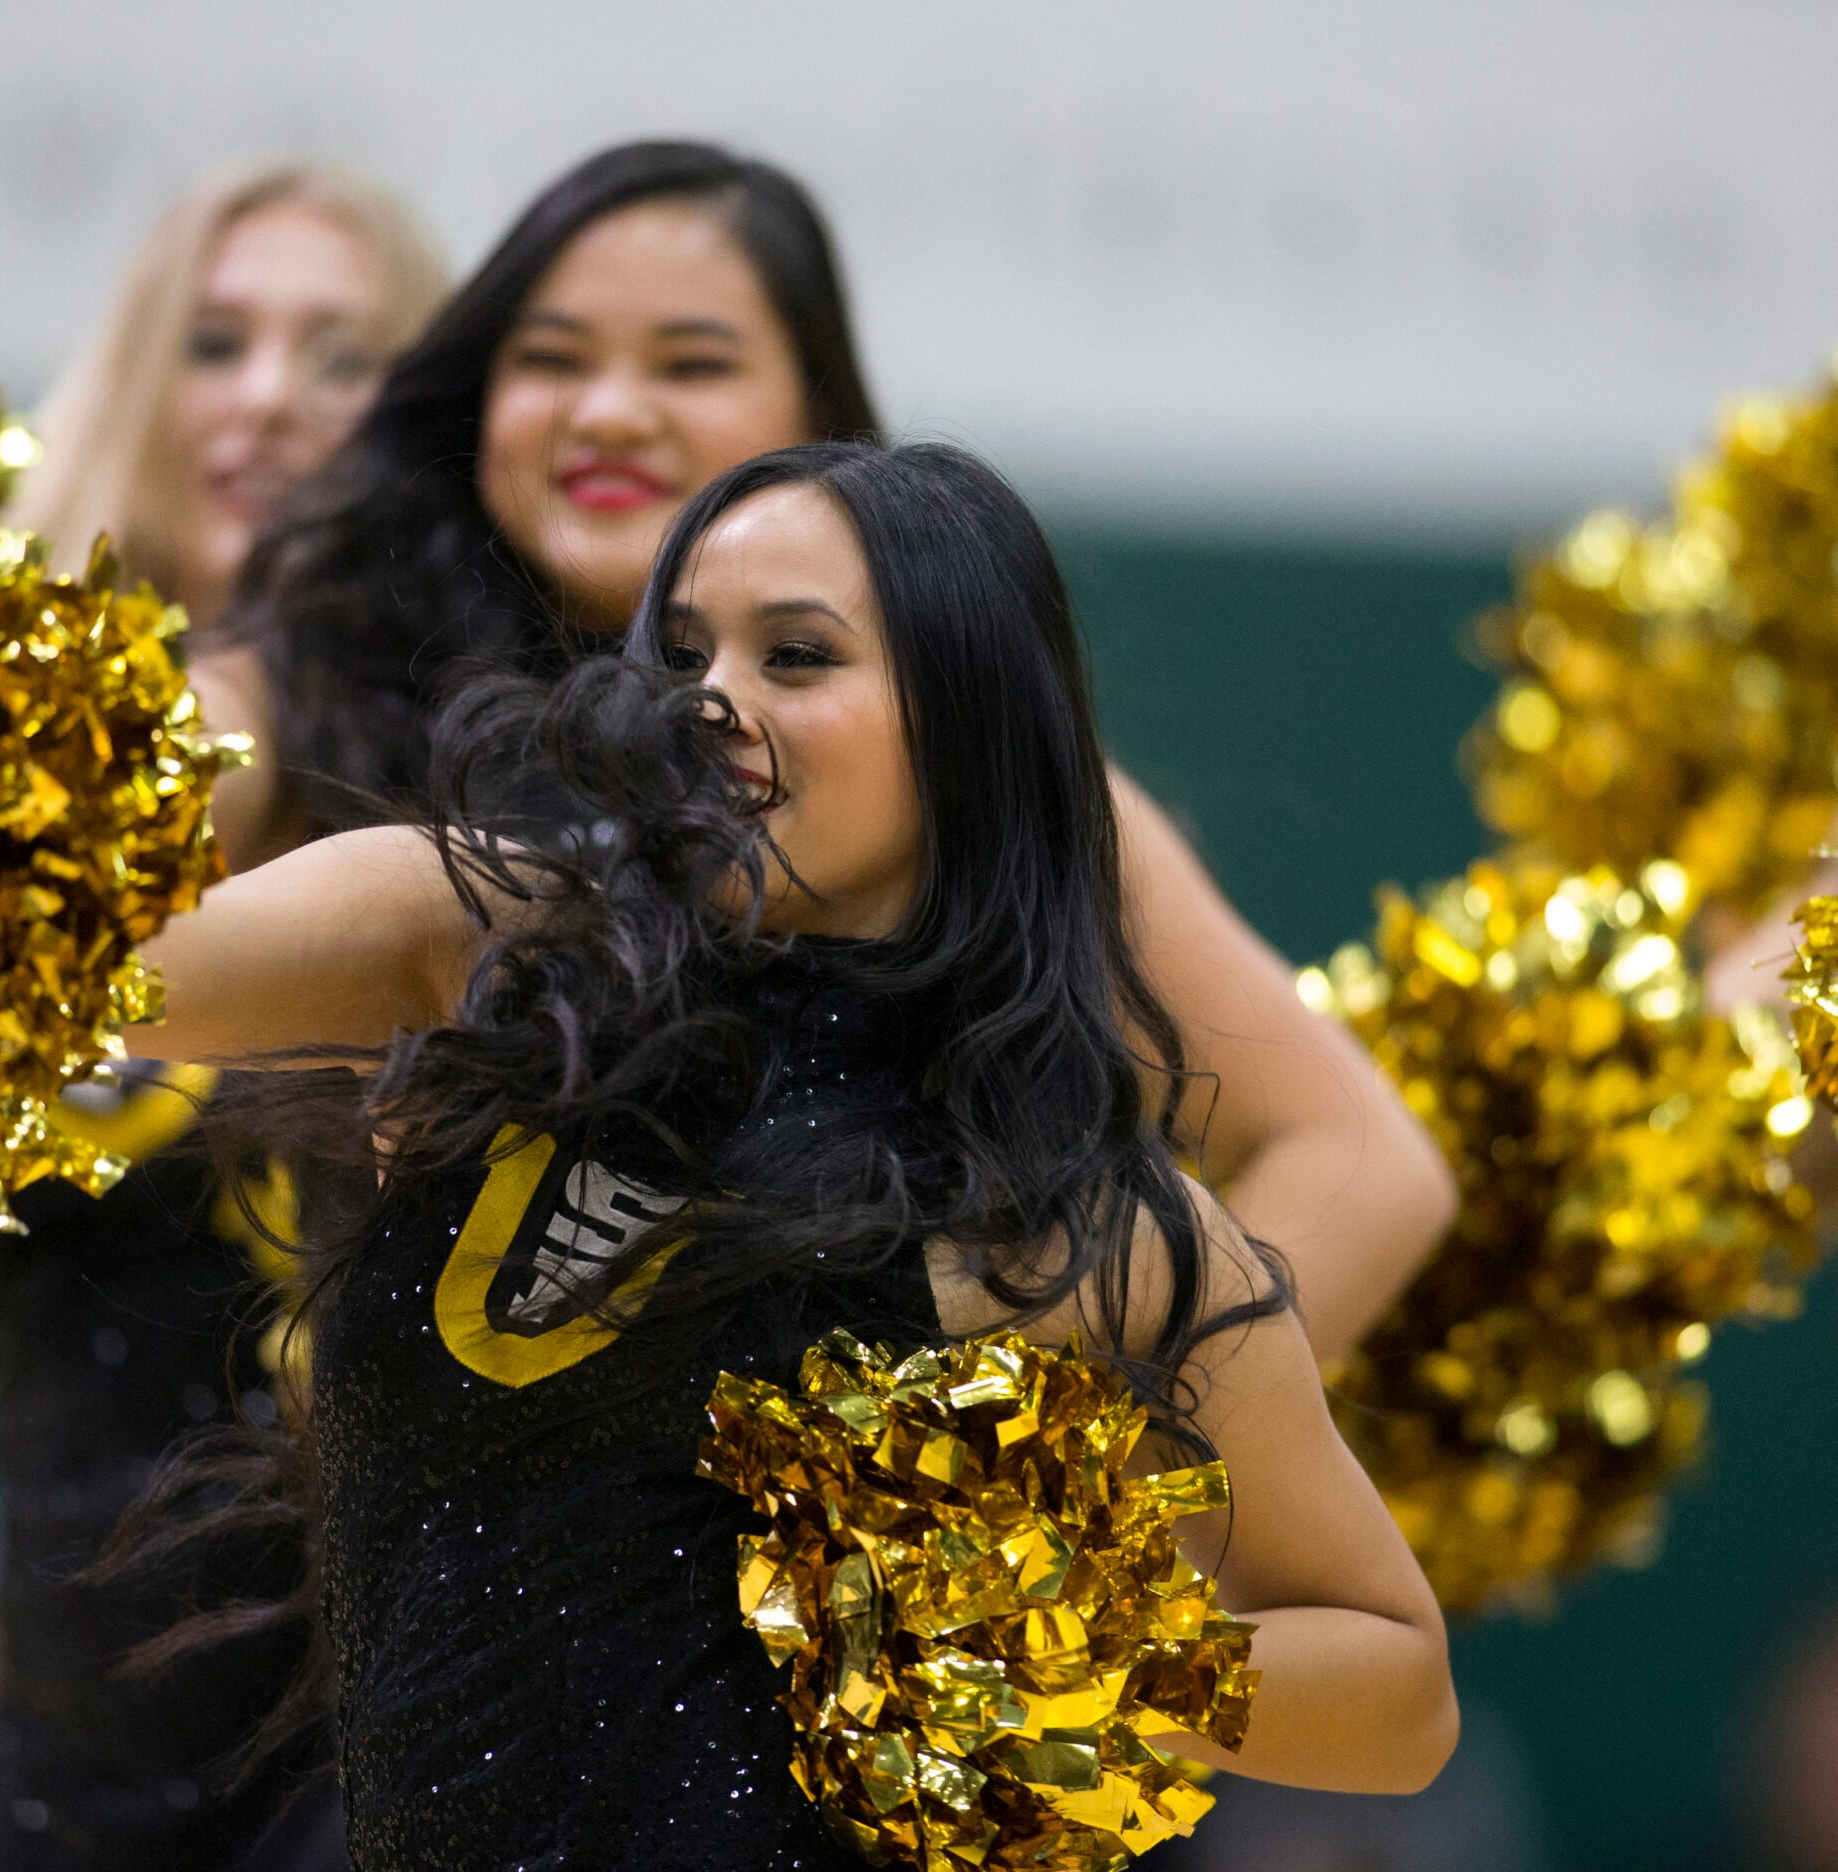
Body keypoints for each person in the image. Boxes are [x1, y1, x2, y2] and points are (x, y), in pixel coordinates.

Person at [124, 440, 1459, 1868]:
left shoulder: (1068, 1216)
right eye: (683, 651)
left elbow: (1397, 1685)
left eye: (798, 657)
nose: (712, 704)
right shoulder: (492, 953)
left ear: (965, 730)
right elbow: (117, 963)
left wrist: (1082, 1661)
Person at [212, 140, 1457, 1360]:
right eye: (547, 359)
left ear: (815, 417)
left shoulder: (966, 781)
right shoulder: (304, 687)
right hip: (213, 1530)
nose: (605, 411)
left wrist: (1068, 1508)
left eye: (692, 363)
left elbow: (1358, 1163)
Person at [0, 161, 445, 1872]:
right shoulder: (1, 787)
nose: (265, 397)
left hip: (422, 1761)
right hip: (83, 1774)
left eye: (339, 356)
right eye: (215, 340)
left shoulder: (507, 788)